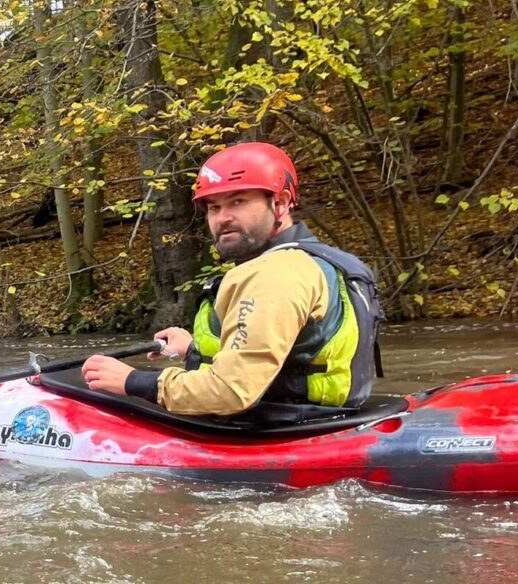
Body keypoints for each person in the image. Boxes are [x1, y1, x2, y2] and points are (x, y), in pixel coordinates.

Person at [81, 142, 381, 416]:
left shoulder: (276, 275)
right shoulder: (316, 260)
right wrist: (193, 350)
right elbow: (291, 356)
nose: (222, 217)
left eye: (238, 202)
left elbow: (230, 391)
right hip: (320, 415)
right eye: (214, 207)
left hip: (280, 429)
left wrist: (134, 381)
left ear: (281, 202)